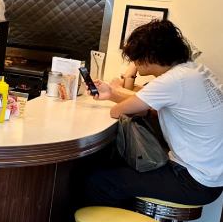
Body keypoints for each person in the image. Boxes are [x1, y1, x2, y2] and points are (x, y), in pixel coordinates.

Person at [86, 20, 223, 208]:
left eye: (135, 58)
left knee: (101, 181)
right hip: (210, 176)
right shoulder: (194, 70)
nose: (134, 63)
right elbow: (145, 105)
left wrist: (120, 86)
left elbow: (118, 111)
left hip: (193, 181)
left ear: (149, 57)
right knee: (118, 170)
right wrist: (112, 92)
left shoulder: (173, 80)